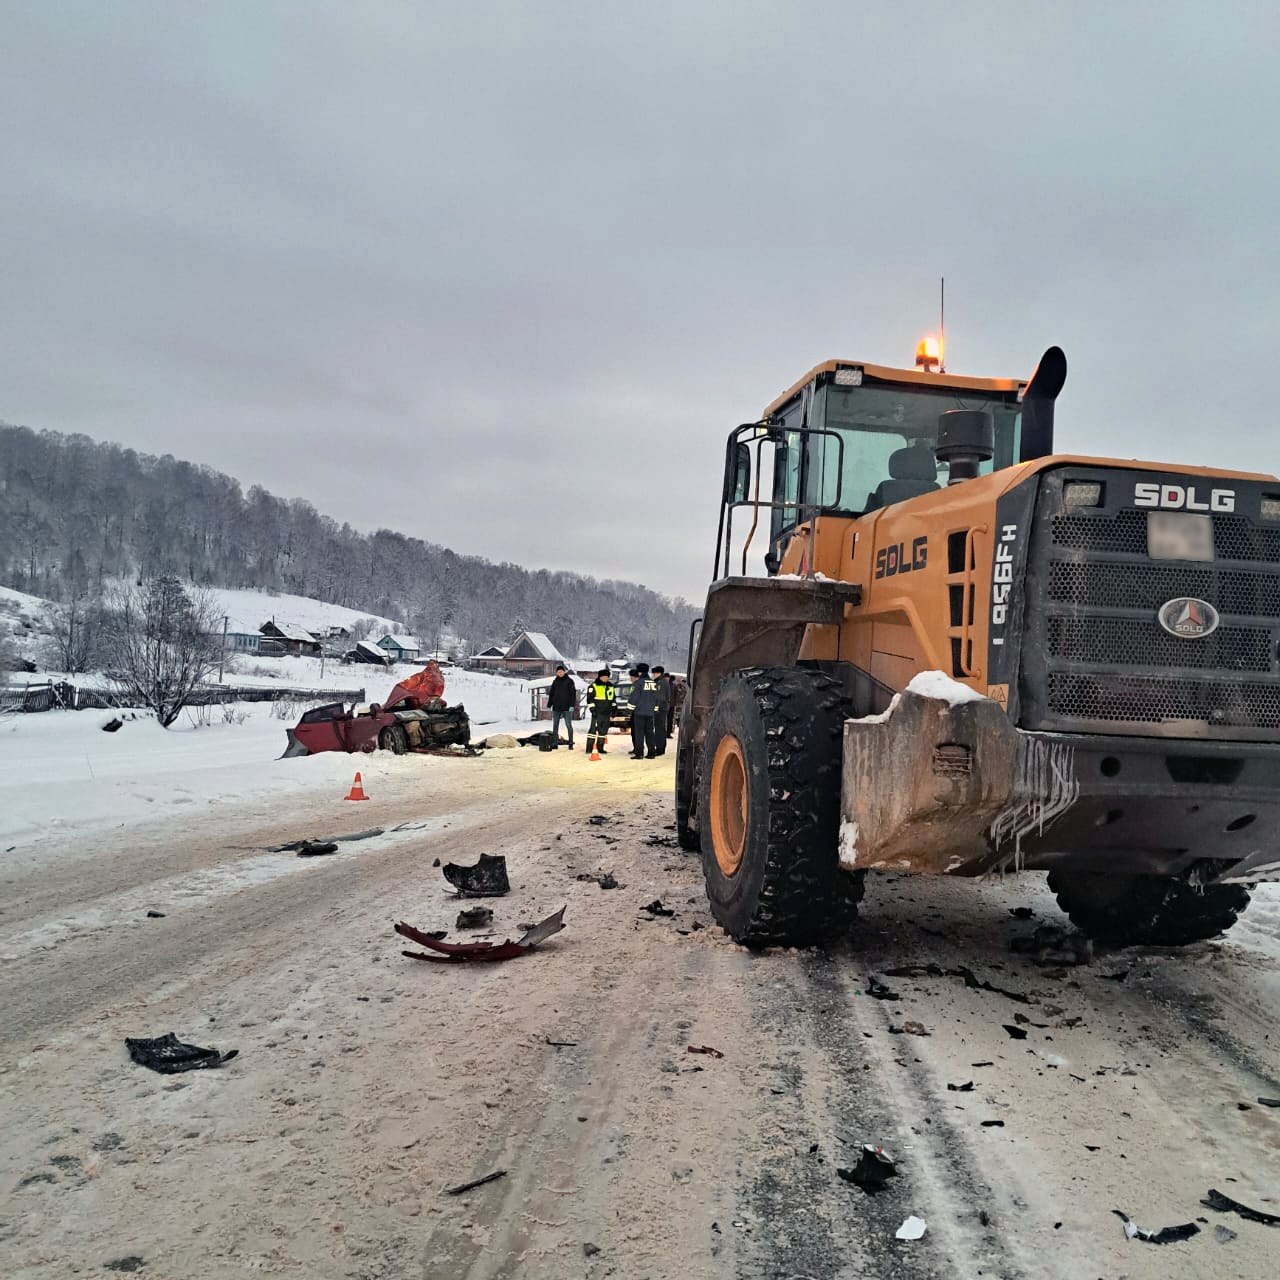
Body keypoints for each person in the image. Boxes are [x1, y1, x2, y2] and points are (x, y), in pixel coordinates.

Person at [629, 663, 661, 759]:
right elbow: (656, 698)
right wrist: (655, 709)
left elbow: (634, 698)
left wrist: (629, 710)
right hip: (650, 713)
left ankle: (639, 753)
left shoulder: (638, 683)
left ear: (639, 672)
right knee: (650, 733)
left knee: (639, 733)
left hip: (639, 712)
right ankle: (651, 753)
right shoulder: (653, 683)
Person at [585, 668, 615, 755]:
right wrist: (593, 710)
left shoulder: (610, 686)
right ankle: (589, 749)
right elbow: (590, 700)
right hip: (597, 712)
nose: (606, 678)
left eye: (607, 677)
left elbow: (613, 699)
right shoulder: (593, 686)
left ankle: (600, 748)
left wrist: (614, 709)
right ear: (600, 677)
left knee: (603, 731)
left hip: (607, 712)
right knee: (592, 731)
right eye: (604, 677)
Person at [547, 663, 577, 749]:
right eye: (558, 672)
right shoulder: (555, 681)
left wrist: (572, 705)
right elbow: (551, 694)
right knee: (555, 725)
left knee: (568, 725)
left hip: (567, 707)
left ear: (564, 672)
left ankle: (570, 743)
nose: (560, 673)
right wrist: (549, 704)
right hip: (556, 707)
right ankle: (554, 743)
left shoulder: (569, 681)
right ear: (556, 673)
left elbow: (573, 694)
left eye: (561, 671)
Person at [651, 665, 672, 756]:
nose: (653, 675)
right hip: (662, 708)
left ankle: (659, 748)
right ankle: (660, 747)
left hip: (660, 709)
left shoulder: (660, 683)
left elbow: (660, 697)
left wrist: (656, 707)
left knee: (659, 729)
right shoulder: (664, 681)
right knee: (660, 728)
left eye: (654, 673)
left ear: (658, 673)